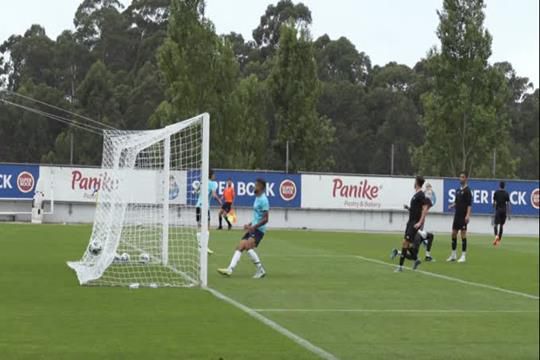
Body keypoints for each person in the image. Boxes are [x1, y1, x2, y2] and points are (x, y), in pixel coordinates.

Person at [218, 178, 269, 279]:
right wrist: (249, 224)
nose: (254, 186)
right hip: (253, 228)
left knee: (247, 246)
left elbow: (266, 219)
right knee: (240, 246)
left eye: (257, 185)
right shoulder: (257, 198)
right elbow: (257, 216)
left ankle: (261, 270)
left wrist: (253, 227)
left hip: (259, 230)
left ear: (261, 187)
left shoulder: (264, 200)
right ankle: (230, 269)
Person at [390, 176, 429, 272]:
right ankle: (416, 260)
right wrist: (408, 208)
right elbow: (415, 210)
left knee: (405, 243)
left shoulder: (421, 194)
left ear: (416, 182)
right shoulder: (416, 194)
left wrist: (419, 222)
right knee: (407, 244)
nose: (413, 183)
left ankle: (400, 267)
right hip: (410, 222)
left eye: (414, 181)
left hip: (414, 223)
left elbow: (425, 209)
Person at [447, 171, 472, 263]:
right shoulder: (458, 190)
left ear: (466, 179)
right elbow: (457, 202)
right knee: (453, 233)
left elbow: (469, 205)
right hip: (457, 215)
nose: (460, 179)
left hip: (463, 216)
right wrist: (452, 205)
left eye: (462, 177)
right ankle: (453, 254)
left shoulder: (468, 191)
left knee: (463, 235)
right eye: (460, 177)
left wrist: (468, 215)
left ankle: (463, 256)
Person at [196, 169, 221, 254]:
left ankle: (200, 246)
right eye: (214, 174)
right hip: (205, 207)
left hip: (198, 205)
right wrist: (220, 201)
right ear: (211, 175)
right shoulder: (213, 184)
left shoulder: (202, 182)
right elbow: (214, 195)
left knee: (199, 226)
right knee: (207, 226)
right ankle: (204, 247)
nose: (215, 176)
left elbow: (196, 191)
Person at [492, 181, 511, 246]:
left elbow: (494, 203)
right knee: (501, 225)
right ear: (504, 186)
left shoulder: (496, 193)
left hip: (498, 210)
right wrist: (509, 214)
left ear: (499, 185)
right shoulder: (506, 193)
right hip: (504, 211)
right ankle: (499, 240)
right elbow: (508, 204)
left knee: (495, 224)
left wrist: (494, 207)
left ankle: (496, 236)